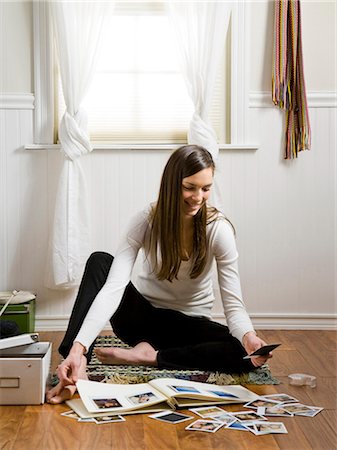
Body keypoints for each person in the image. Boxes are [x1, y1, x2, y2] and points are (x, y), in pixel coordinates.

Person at [47, 145, 272, 404]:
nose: (198, 197)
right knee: (100, 261)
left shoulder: (218, 229)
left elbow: (233, 305)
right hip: (141, 321)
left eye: (205, 188)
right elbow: (113, 288)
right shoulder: (146, 220)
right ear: (171, 184)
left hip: (187, 327)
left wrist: (248, 335)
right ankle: (74, 362)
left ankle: (151, 357)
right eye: (190, 187)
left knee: (246, 354)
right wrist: (80, 348)